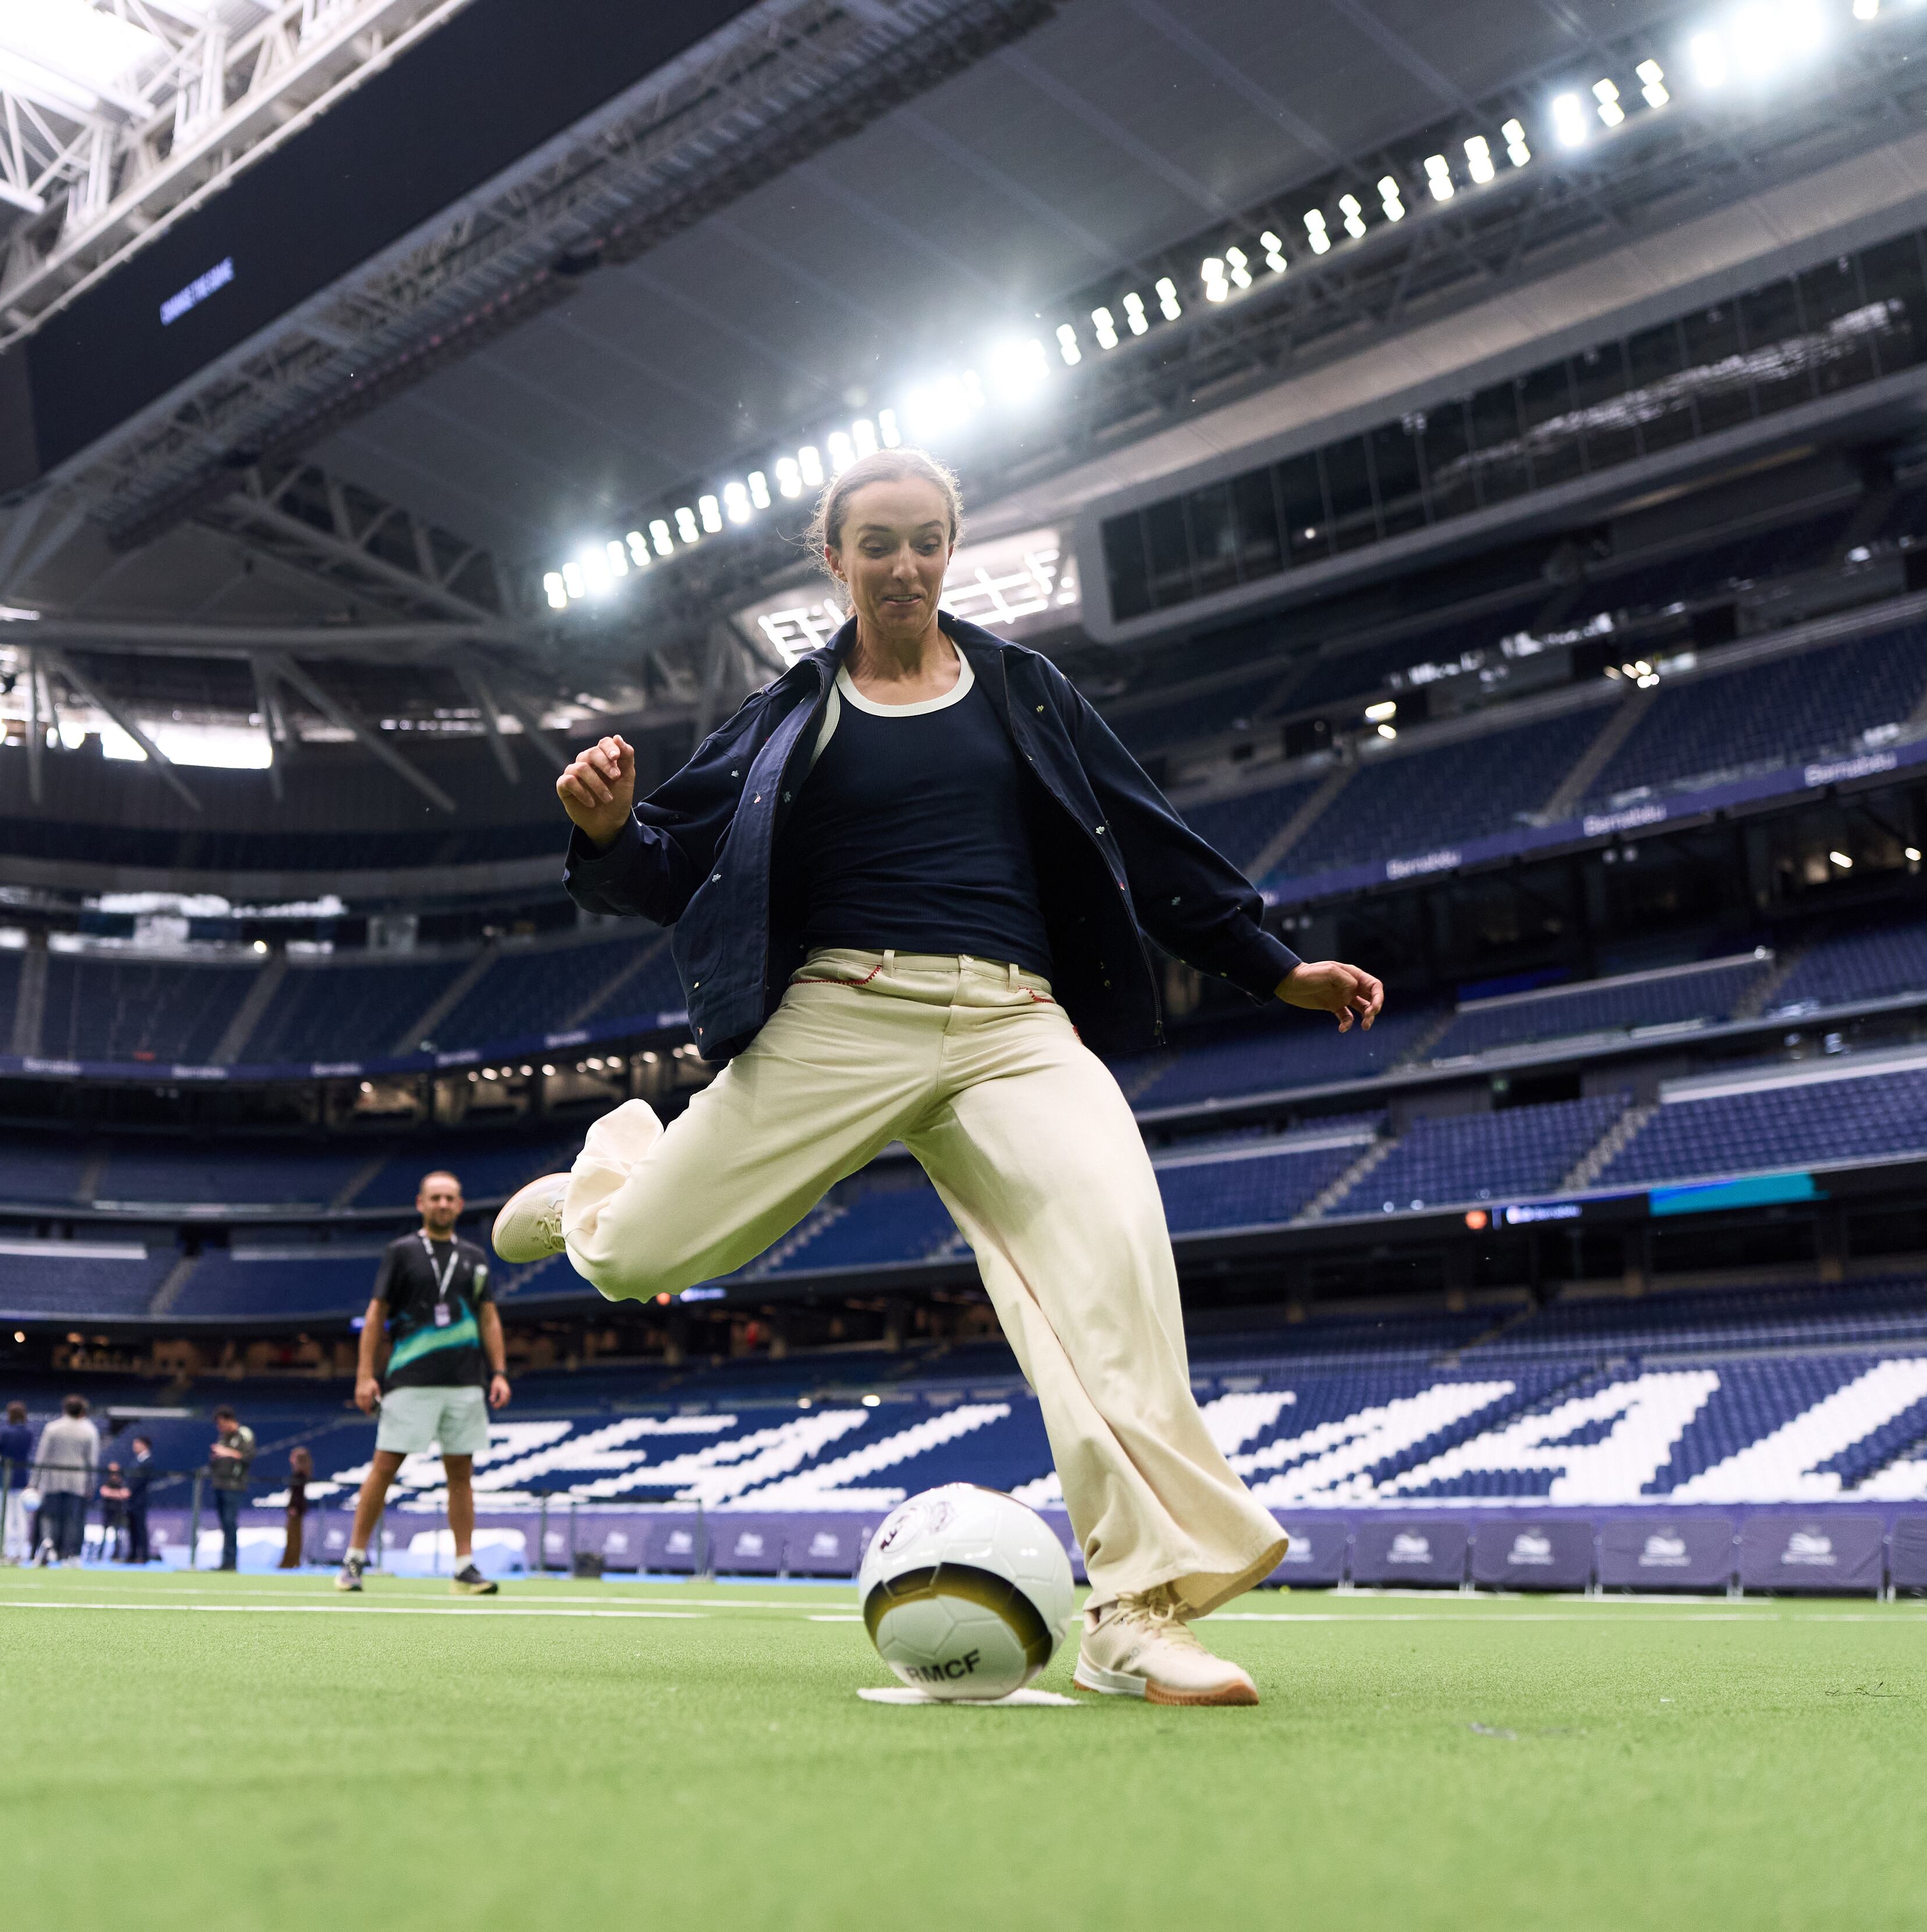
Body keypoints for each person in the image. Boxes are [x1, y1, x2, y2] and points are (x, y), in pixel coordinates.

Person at [492, 449, 1386, 1706]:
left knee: (1113, 1273)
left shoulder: (1026, 691)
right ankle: (602, 1173)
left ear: (951, 548)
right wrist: (604, 830)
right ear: (834, 559)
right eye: (877, 543)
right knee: (638, 1253)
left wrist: (1271, 964)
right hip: (842, 1014)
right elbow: (667, 866)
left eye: (924, 540)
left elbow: (1144, 834)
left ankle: (1136, 1610)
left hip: (1015, 1028)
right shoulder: (789, 714)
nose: (903, 564)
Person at [339, 1171, 509, 1596]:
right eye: (436, 1197)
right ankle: (354, 1560)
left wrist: (500, 1371)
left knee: (461, 1476)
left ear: (460, 1204)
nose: (443, 1204)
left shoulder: (475, 1256)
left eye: (450, 1197)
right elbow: (376, 1315)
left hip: (465, 1381)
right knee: (384, 1468)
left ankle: (464, 1567)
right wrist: (365, 1375)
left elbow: (489, 1316)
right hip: (410, 1379)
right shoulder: (401, 1252)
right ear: (421, 1203)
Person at [30, 1395, 99, 1566]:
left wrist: (34, 1482)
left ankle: (48, 1546)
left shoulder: (53, 1428)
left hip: (53, 1481)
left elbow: (41, 1457)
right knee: (73, 1519)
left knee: (50, 1517)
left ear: (65, 1409)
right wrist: (92, 1484)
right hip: (78, 1483)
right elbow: (92, 1461)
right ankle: (71, 1554)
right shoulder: (89, 1431)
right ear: (82, 1410)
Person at [0, 1400, 38, 1564]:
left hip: (6, 1480)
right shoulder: (28, 1433)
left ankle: (9, 1551)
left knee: (6, 1517)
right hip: (22, 1479)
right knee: (21, 1518)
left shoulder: (6, 1432)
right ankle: (21, 1551)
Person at [205, 1406, 253, 1573]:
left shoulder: (244, 1434)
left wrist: (226, 1452)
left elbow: (248, 1456)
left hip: (234, 1486)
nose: (220, 1427)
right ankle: (225, 1562)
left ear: (229, 1420)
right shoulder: (223, 1437)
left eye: (221, 1423)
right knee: (225, 1525)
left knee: (230, 1523)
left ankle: (231, 1562)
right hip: (219, 1484)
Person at [119, 1433, 155, 1564]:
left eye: (137, 1444)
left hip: (139, 1499)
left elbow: (140, 1480)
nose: (134, 1446)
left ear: (144, 1445)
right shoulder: (137, 1460)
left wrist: (129, 1490)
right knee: (132, 1527)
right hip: (131, 1500)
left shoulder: (148, 1461)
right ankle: (132, 1554)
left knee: (140, 1527)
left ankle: (143, 1555)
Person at [279, 1446, 314, 1570]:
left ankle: (291, 1561)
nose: (291, 1459)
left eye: (293, 1456)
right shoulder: (301, 1474)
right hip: (298, 1507)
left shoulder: (300, 1475)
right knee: (295, 1535)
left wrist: (293, 1507)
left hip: (296, 1508)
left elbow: (297, 1494)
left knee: (293, 1535)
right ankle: (293, 1561)